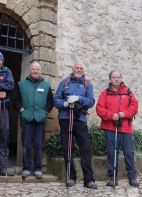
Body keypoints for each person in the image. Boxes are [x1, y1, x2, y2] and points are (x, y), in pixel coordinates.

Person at [54, 61, 98, 189]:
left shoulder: (87, 84)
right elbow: (56, 99)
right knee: (67, 147)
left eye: (81, 68)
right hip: (65, 118)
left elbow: (91, 101)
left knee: (85, 149)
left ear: (83, 70)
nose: (79, 70)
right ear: (72, 68)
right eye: (77, 68)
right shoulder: (64, 82)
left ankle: (89, 180)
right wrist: (65, 104)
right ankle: (70, 177)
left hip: (80, 119)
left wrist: (79, 99)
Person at [96, 70, 139, 187]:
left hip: (125, 127)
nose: (116, 79)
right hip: (110, 127)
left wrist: (124, 114)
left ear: (121, 78)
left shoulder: (128, 92)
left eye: (118, 77)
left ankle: (132, 177)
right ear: (110, 79)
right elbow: (99, 109)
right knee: (111, 153)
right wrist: (111, 115)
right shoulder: (105, 93)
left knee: (129, 153)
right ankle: (112, 177)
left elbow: (134, 106)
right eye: (114, 77)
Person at [14, 61, 54, 178]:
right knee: (26, 145)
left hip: (40, 120)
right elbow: (16, 100)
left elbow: (50, 102)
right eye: (33, 69)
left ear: (40, 71)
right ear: (30, 70)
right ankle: (26, 168)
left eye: (37, 69)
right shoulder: (22, 84)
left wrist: (45, 112)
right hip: (26, 120)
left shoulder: (46, 85)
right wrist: (22, 110)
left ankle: (37, 169)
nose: (35, 71)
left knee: (38, 144)